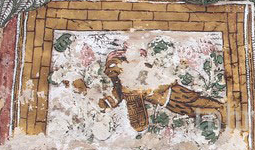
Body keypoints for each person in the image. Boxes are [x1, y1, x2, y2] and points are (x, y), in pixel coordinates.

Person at [97, 49, 226, 132]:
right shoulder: (123, 85)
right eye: (112, 69)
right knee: (189, 111)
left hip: (172, 92)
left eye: (116, 66)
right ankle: (216, 111)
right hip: (165, 102)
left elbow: (163, 80)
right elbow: (118, 95)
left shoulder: (141, 70)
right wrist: (109, 102)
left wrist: (150, 90)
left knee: (194, 100)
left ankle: (219, 106)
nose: (116, 71)